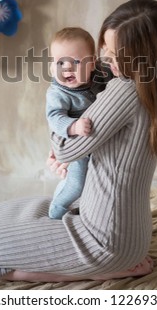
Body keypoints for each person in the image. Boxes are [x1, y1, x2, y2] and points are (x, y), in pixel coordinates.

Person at [0, 0, 157, 282]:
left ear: (141, 55)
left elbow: (68, 148)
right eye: (104, 48)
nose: (106, 59)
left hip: (105, 240)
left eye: (116, 53)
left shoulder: (125, 90)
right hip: (126, 229)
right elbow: (87, 148)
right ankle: (106, 263)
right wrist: (65, 152)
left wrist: (58, 140)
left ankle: (103, 271)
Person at [47, 27, 111, 219]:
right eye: (60, 62)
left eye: (76, 61)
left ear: (93, 64)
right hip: (76, 145)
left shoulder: (102, 74)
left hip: (100, 143)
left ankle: (91, 211)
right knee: (76, 184)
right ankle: (57, 208)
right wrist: (73, 126)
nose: (67, 68)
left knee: (97, 182)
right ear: (52, 66)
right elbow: (54, 117)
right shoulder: (58, 93)